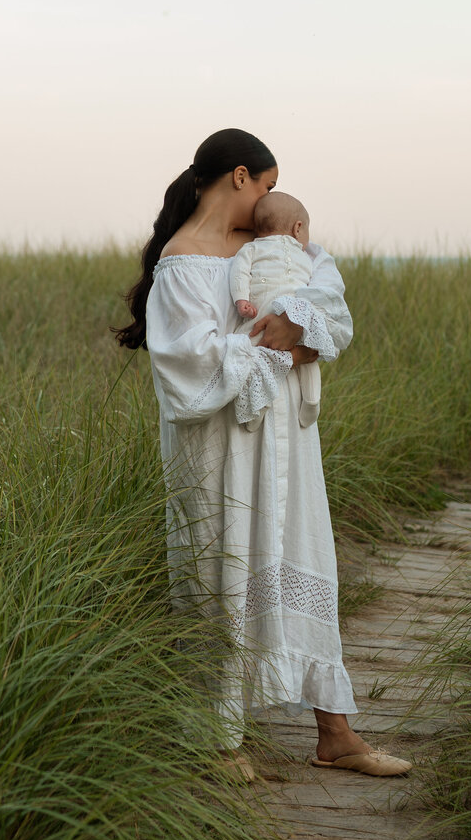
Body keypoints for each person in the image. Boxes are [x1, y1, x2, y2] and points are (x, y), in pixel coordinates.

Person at [115, 129, 411, 781]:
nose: (276, 203)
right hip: (218, 446)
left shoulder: (279, 244)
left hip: (287, 441)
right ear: (240, 178)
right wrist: (268, 346)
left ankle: (334, 733)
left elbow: (332, 308)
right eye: (270, 188)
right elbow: (185, 362)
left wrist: (301, 334)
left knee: (303, 555)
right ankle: (217, 740)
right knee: (220, 568)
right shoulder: (181, 262)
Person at [229, 190, 321, 432]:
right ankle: (301, 400)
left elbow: (239, 271)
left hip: (281, 313)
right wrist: (241, 300)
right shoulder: (297, 254)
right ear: (298, 228)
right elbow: (240, 270)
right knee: (300, 355)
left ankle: (294, 402)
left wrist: (241, 300)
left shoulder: (252, 248)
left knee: (286, 354)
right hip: (280, 312)